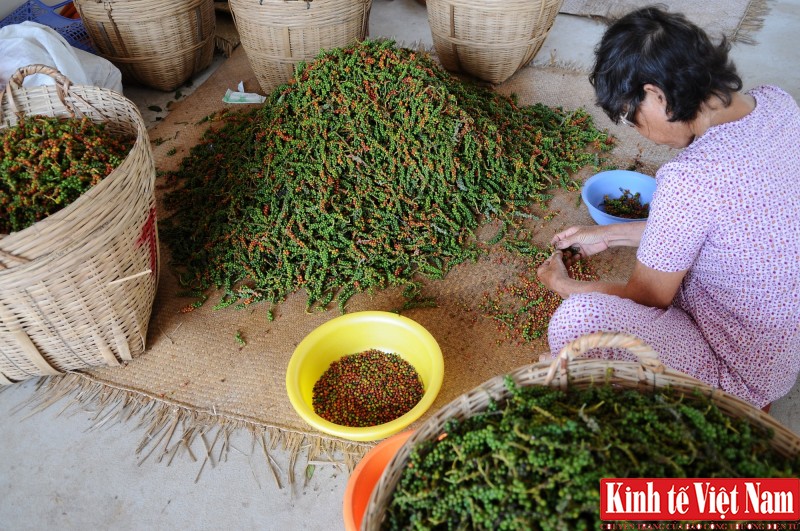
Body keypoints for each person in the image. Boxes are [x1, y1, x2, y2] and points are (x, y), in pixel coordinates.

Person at [536, 6, 800, 410]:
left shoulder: (689, 180)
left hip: (736, 375)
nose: (638, 131)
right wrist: (609, 236)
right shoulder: (778, 104)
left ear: (656, 95)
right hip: (779, 360)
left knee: (578, 319)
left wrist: (563, 287)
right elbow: (724, 227)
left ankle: (731, 408)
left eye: (630, 116)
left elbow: (646, 298)